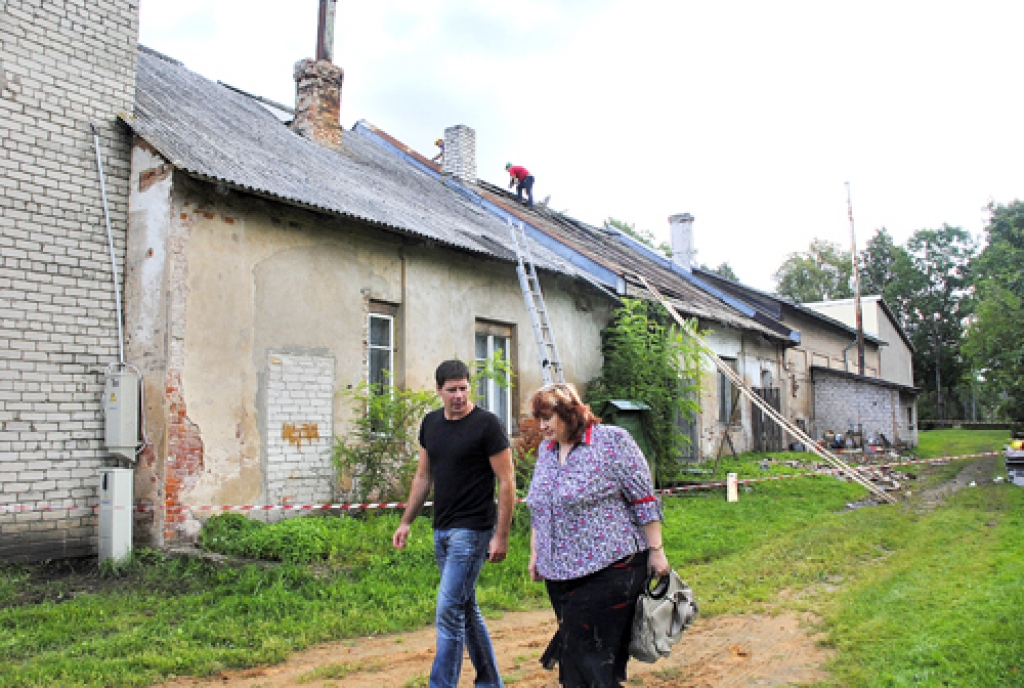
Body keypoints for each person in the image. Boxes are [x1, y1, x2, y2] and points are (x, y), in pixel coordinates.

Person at [525, 382, 670, 688]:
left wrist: (656, 551)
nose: (542, 426)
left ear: (570, 413)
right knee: (587, 659)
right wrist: (536, 552)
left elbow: (644, 499)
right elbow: (540, 507)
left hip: (611, 566)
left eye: (548, 418)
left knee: (584, 655)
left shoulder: (612, 441)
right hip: (559, 573)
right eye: (539, 419)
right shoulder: (546, 451)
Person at [392, 360, 516, 688]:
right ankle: (490, 682)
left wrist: (501, 536)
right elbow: (423, 476)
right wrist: (406, 522)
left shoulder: (487, 425)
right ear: (439, 390)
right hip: (442, 528)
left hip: (473, 530)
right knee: (465, 607)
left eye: (463, 388)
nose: (459, 395)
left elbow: (507, 481)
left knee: (448, 610)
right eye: (452, 390)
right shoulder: (431, 424)